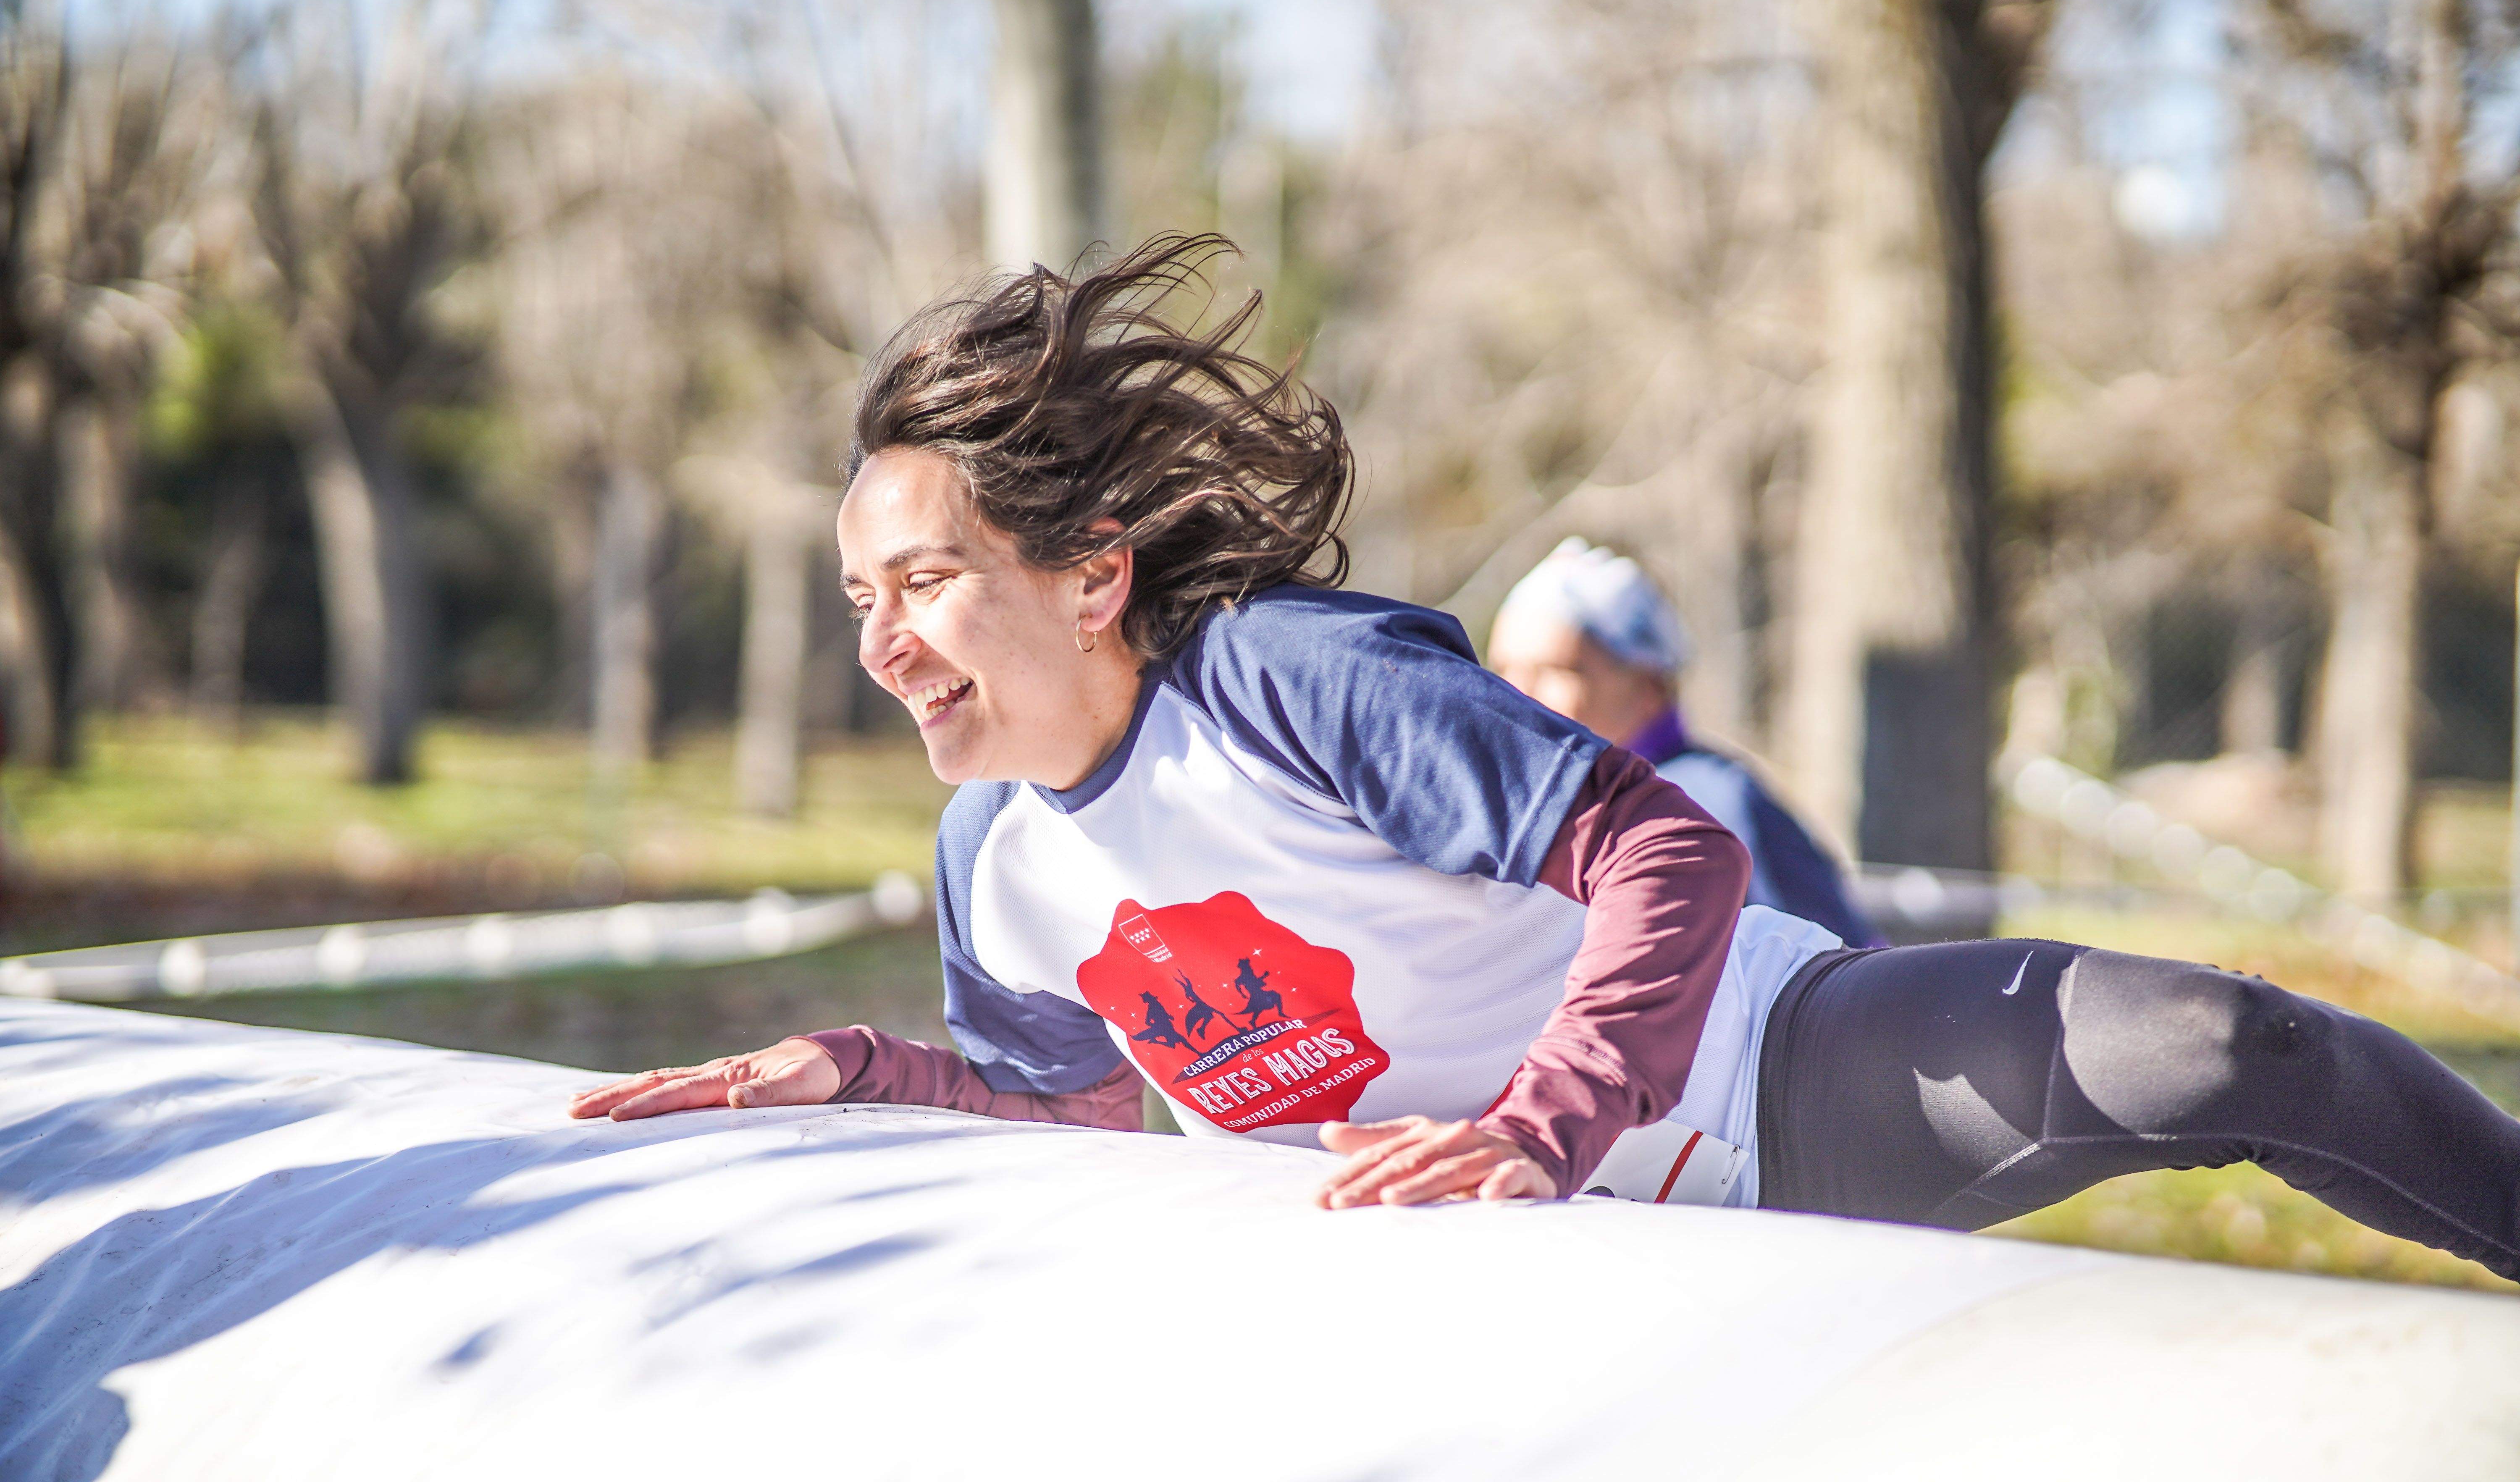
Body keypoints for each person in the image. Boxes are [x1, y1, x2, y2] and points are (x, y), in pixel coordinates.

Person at [568, 235, 2520, 1278]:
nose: (882, 642)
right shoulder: (992, 861)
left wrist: (1536, 1121)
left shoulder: (1283, 675)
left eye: (923, 579)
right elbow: (1073, 1112)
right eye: (854, 598)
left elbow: (1665, 850)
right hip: (1480, 1288)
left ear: (1089, 575)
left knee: (2224, 1045)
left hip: (1770, 1089)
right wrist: (851, 1070)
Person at [1487, 538, 1884, 949]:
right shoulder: (1498, 808)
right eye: (1504, 668)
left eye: (1558, 671)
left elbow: (1852, 963)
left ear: (1647, 681)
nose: (1519, 694)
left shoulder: (1711, 798)